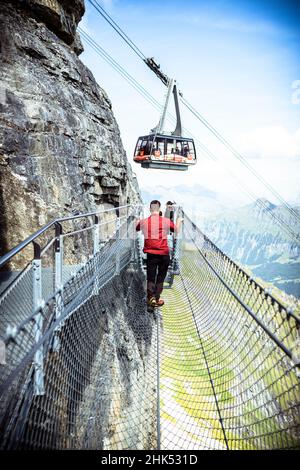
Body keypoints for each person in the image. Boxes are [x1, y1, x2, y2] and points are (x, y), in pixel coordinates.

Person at [136, 200, 182, 308]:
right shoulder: (165, 221)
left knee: (151, 277)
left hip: (151, 255)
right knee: (161, 277)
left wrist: (137, 220)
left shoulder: (145, 221)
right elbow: (176, 230)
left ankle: (151, 298)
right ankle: (156, 299)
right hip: (164, 255)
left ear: (150, 209)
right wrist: (179, 220)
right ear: (159, 209)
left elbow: (136, 228)